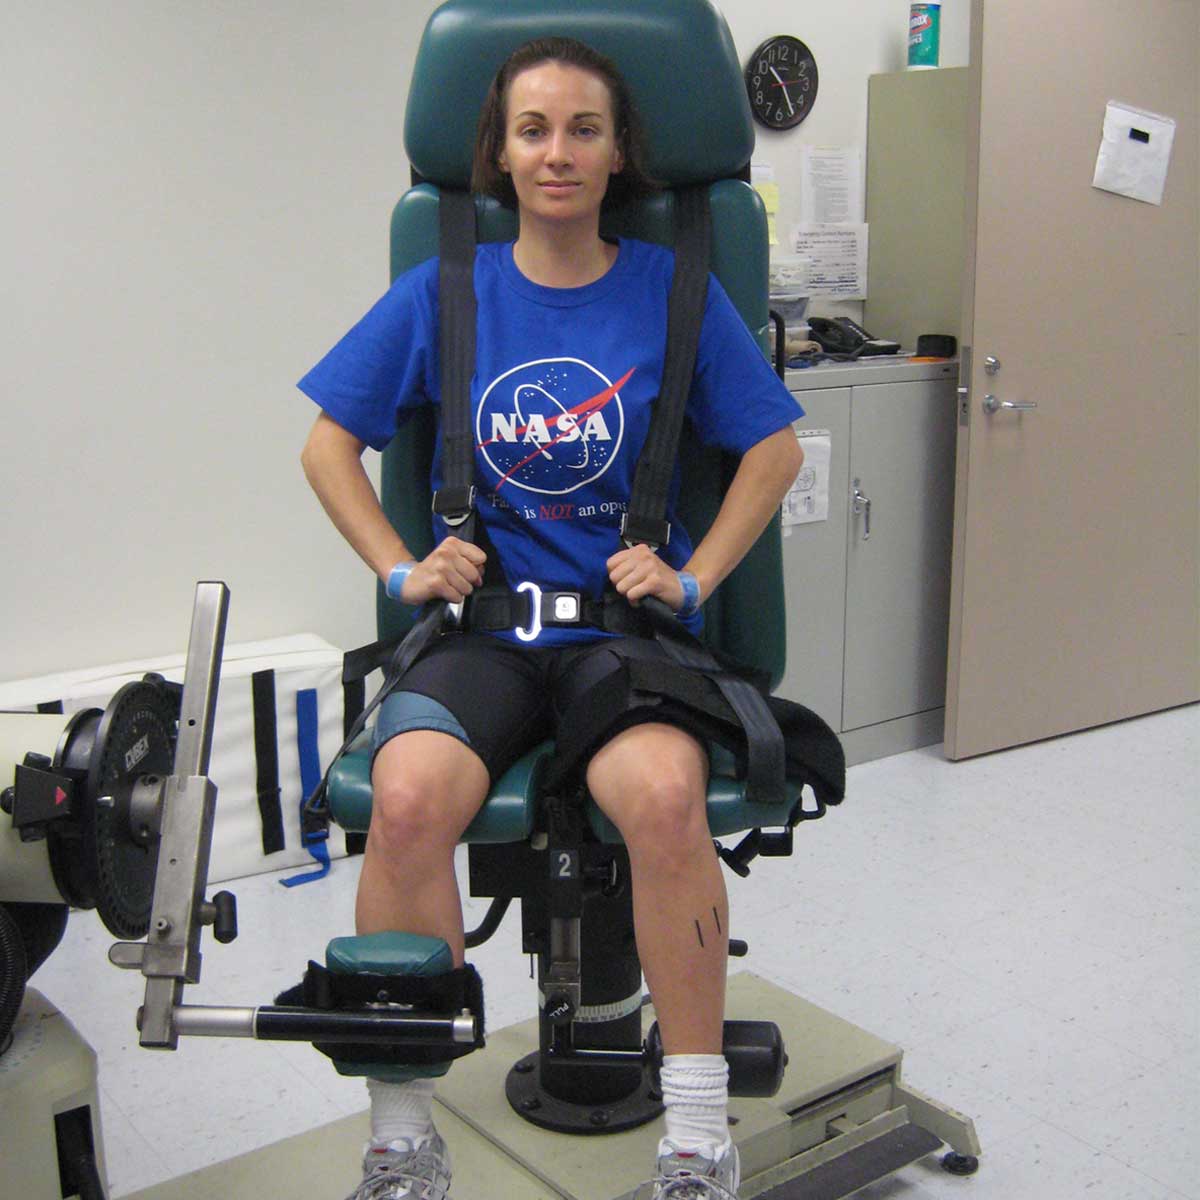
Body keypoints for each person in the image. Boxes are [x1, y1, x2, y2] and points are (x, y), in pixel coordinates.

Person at [298, 36, 804, 1200]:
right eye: (533, 129)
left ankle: (691, 1132)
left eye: (584, 128)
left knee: (668, 800)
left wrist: (695, 579)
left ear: (621, 152)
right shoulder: (446, 291)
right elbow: (329, 445)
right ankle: (404, 1136)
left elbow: (771, 451)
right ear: (500, 153)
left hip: (619, 642)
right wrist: (400, 566)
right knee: (408, 800)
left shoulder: (674, 291)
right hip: (485, 638)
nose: (558, 152)